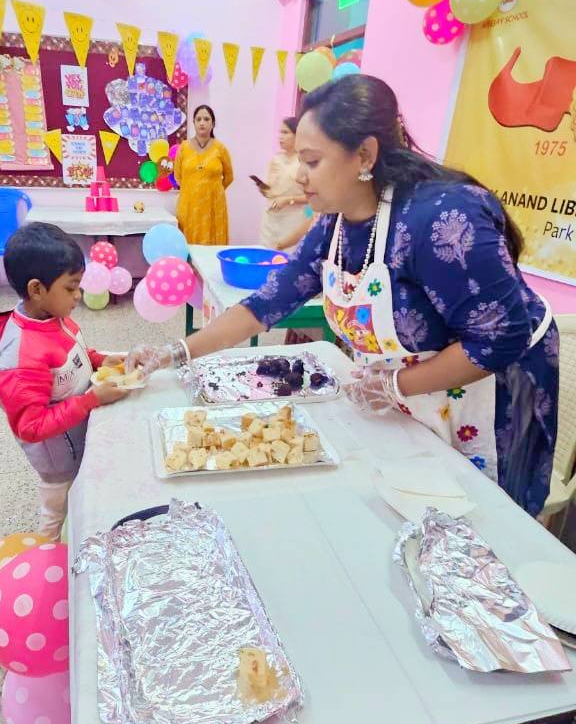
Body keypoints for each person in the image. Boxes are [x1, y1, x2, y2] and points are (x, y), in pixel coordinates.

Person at [126, 75, 559, 517]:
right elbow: (263, 305)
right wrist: (175, 353)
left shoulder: (442, 217)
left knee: (488, 516)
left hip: (495, 382)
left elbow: (499, 338)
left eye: (311, 161)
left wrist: (395, 385)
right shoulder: (335, 224)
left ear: (364, 156)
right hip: (421, 384)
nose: (298, 174)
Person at [0, 222, 126, 539]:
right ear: (37, 289)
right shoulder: (21, 359)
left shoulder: (53, 315)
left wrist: (98, 359)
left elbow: (75, 350)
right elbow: (31, 427)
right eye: (71, 287)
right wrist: (92, 400)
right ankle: (47, 561)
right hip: (58, 460)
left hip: (78, 435)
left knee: (83, 496)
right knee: (57, 510)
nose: (78, 295)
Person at [174, 105, 234, 244]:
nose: (202, 123)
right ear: (193, 123)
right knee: (188, 246)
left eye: (206, 119)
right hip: (189, 205)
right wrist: (194, 189)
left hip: (213, 206)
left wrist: (212, 190)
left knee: (212, 247)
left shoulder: (220, 148)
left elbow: (229, 177)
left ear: (212, 124)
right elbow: (178, 176)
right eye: (198, 119)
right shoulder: (184, 148)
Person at [252, 116, 313, 250]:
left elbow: (311, 198)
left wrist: (289, 200)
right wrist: (264, 188)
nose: (280, 137)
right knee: (267, 255)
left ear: (297, 135)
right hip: (272, 218)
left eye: (285, 133)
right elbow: (271, 191)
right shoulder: (276, 159)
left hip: (294, 219)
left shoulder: (304, 161)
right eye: (280, 133)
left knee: (288, 258)